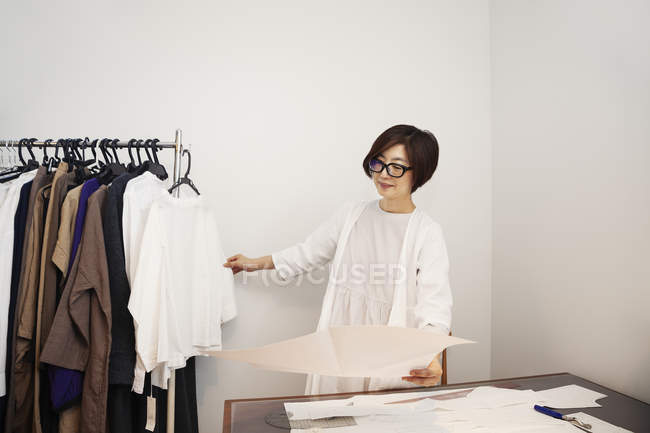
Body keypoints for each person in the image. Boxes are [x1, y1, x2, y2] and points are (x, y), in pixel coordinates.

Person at [223, 124, 452, 395]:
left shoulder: (426, 231)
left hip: (391, 353)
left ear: (420, 173)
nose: (383, 174)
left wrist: (431, 356)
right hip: (340, 345)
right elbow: (307, 253)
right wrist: (253, 263)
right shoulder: (351, 215)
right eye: (378, 162)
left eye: (397, 167)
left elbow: (435, 307)